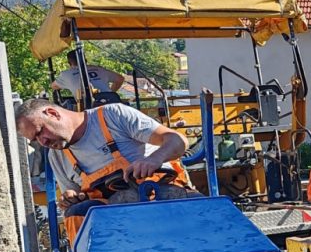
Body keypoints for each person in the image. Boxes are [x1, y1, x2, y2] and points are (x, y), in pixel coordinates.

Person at [16, 99, 198, 239]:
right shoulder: (56, 157)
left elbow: (178, 141)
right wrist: (71, 198)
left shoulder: (112, 116)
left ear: (52, 113)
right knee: (75, 215)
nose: (43, 142)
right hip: (113, 223)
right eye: (36, 140)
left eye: (41, 132)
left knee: (204, 207)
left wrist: (154, 159)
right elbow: (74, 196)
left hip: (158, 196)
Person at [51, 51, 124, 105]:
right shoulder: (99, 69)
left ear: (69, 63)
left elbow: (53, 86)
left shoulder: (66, 74)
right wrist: (110, 93)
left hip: (89, 107)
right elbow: (120, 79)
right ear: (85, 60)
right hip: (112, 102)